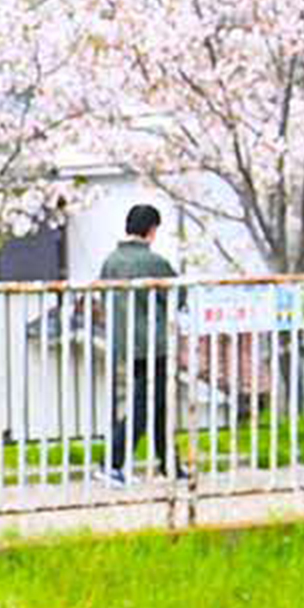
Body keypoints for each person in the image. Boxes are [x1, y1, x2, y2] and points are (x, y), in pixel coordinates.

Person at [97, 202, 178, 483]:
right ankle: (112, 461)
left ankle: (169, 464)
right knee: (147, 405)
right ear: (152, 229)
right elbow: (177, 297)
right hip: (154, 344)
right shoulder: (154, 263)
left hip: (125, 344)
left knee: (155, 404)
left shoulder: (111, 261)